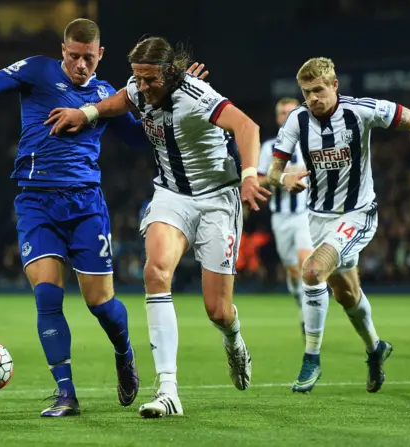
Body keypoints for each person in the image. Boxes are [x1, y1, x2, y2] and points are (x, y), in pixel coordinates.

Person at [0, 19, 208, 418]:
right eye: (74, 56)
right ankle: (66, 394)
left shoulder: (108, 97)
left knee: (100, 304)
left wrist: (174, 98)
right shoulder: (37, 71)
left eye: (89, 58)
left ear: (100, 55)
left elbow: (144, 140)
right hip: (36, 202)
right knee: (48, 296)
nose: (81, 65)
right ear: (62, 51)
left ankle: (124, 353)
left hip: (86, 206)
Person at [45, 36, 270, 418]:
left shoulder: (197, 95)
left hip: (217, 198)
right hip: (171, 195)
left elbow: (247, 127)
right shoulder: (140, 86)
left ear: (170, 74)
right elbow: (121, 99)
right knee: (155, 272)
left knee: (218, 310)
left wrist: (249, 174)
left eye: (150, 81)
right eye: (138, 78)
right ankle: (168, 390)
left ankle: (233, 339)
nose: (142, 88)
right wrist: (87, 114)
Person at [266, 57, 410, 393]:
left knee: (311, 271)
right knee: (346, 293)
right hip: (318, 217)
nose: (313, 98)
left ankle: (311, 358)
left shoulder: (360, 111)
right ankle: (375, 347)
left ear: (334, 85)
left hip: (358, 214)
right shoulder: (297, 121)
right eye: (307, 92)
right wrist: (284, 178)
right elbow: (274, 172)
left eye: (319, 90)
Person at [258, 98, 312, 337]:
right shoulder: (269, 148)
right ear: (278, 118)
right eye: (283, 113)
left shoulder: (310, 143)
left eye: (292, 112)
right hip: (280, 217)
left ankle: (309, 319)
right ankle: (303, 309)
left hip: (305, 214)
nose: (287, 117)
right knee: (292, 273)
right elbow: (258, 180)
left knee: (305, 264)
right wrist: (281, 177)